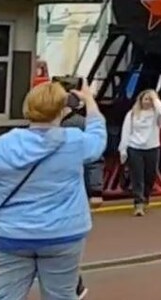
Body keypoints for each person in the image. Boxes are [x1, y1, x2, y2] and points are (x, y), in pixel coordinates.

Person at [0, 80, 105, 300]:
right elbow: (98, 138)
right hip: (63, 235)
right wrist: (89, 101)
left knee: (4, 296)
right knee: (61, 295)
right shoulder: (75, 141)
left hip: (10, 234)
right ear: (62, 110)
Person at [61, 98, 106, 300]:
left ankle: (75, 285)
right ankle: (74, 285)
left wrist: (96, 190)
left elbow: (94, 159)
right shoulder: (80, 126)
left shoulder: (77, 125)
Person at [117, 88, 161, 216]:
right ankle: (138, 203)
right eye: (145, 99)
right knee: (137, 176)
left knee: (151, 175)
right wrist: (123, 149)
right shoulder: (132, 114)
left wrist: (155, 98)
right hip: (135, 148)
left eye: (150, 99)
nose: (147, 102)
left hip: (152, 147)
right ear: (140, 100)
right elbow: (126, 131)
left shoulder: (156, 115)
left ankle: (145, 196)